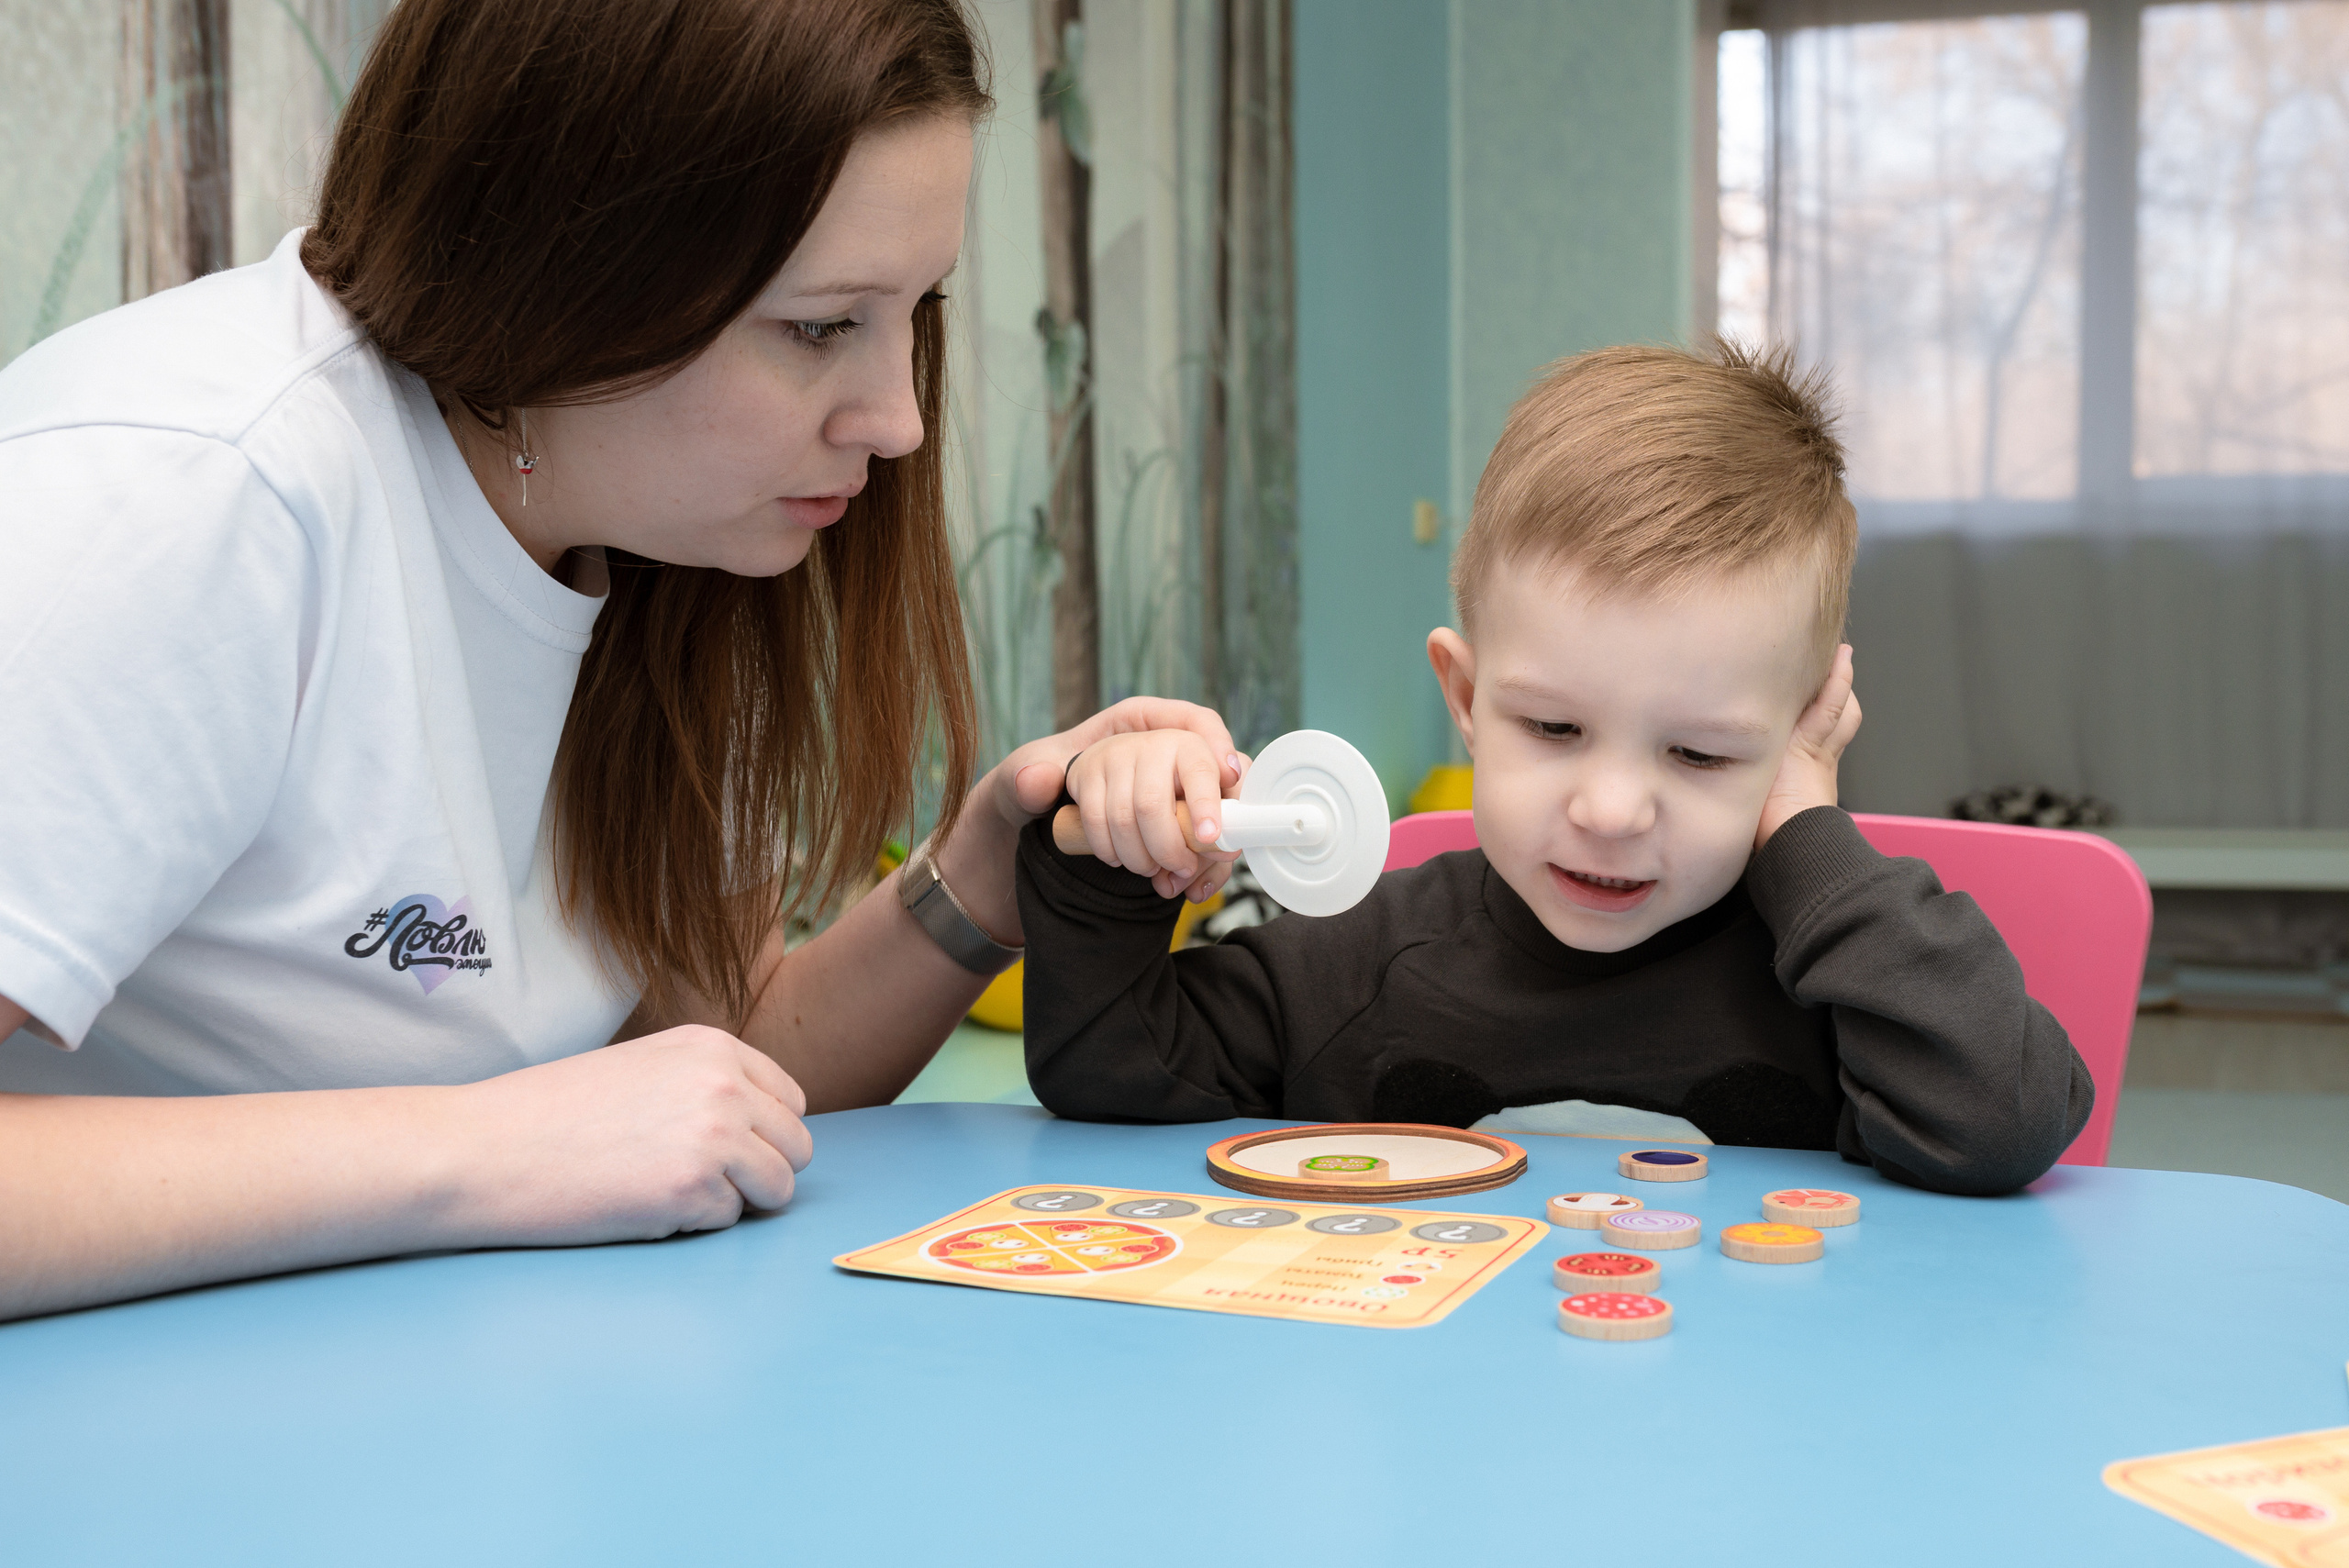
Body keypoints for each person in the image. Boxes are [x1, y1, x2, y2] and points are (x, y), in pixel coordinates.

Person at [0, 0, 1238, 1322]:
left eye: (913, 313)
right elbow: (566, 1139)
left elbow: (725, 1063)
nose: (898, 420)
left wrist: (989, 870)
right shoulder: (191, 493)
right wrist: (480, 1151)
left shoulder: (660, 531)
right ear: (574, 261)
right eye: (822, 326)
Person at [1015, 342, 2094, 1196]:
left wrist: (1807, 826)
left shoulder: (1838, 986)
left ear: (1801, 735)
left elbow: (2000, 1118)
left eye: (1700, 752)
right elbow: (1110, 1071)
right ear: (1468, 698)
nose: (1612, 809)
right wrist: (1107, 855)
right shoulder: (1359, 966)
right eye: (1555, 729)